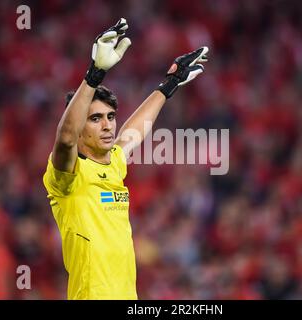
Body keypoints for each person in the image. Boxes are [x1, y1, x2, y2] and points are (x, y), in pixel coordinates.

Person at [42, 18, 208, 299]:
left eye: (110, 117)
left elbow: (131, 135)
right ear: (81, 128)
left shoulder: (114, 163)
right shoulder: (67, 177)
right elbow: (66, 136)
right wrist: (94, 74)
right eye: (95, 119)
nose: (107, 125)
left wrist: (169, 85)